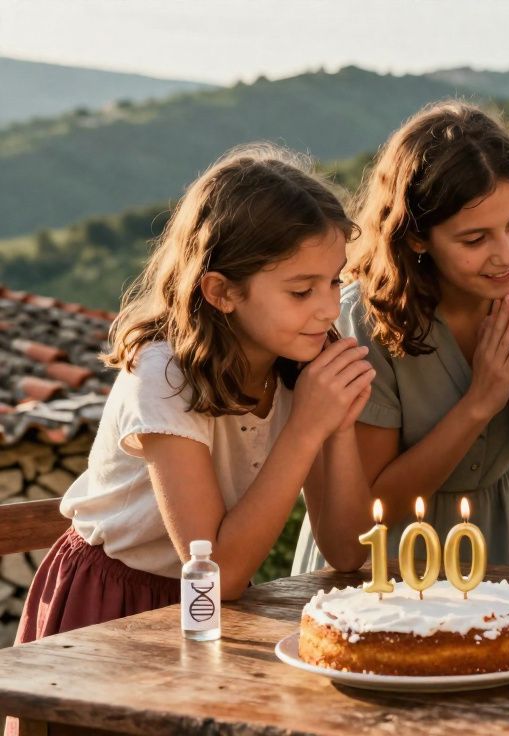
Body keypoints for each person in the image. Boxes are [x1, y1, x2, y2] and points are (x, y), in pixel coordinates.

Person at [15, 145, 374, 646]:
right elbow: (216, 574)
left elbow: (345, 549)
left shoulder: (302, 363)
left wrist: (335, 428)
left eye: (334, 282)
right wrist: (308, 426)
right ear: (222, 292)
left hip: (215, 613)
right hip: (110, 606)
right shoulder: (163, 374)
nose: (327, 309)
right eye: (301, 291)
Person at [291, 101, 509, 570]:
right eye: (474, 240)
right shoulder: (364, 315)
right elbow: (372, 508)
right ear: (417, 238)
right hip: (379, 560)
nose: (506, 256)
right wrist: (479, 403)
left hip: (490, 547)